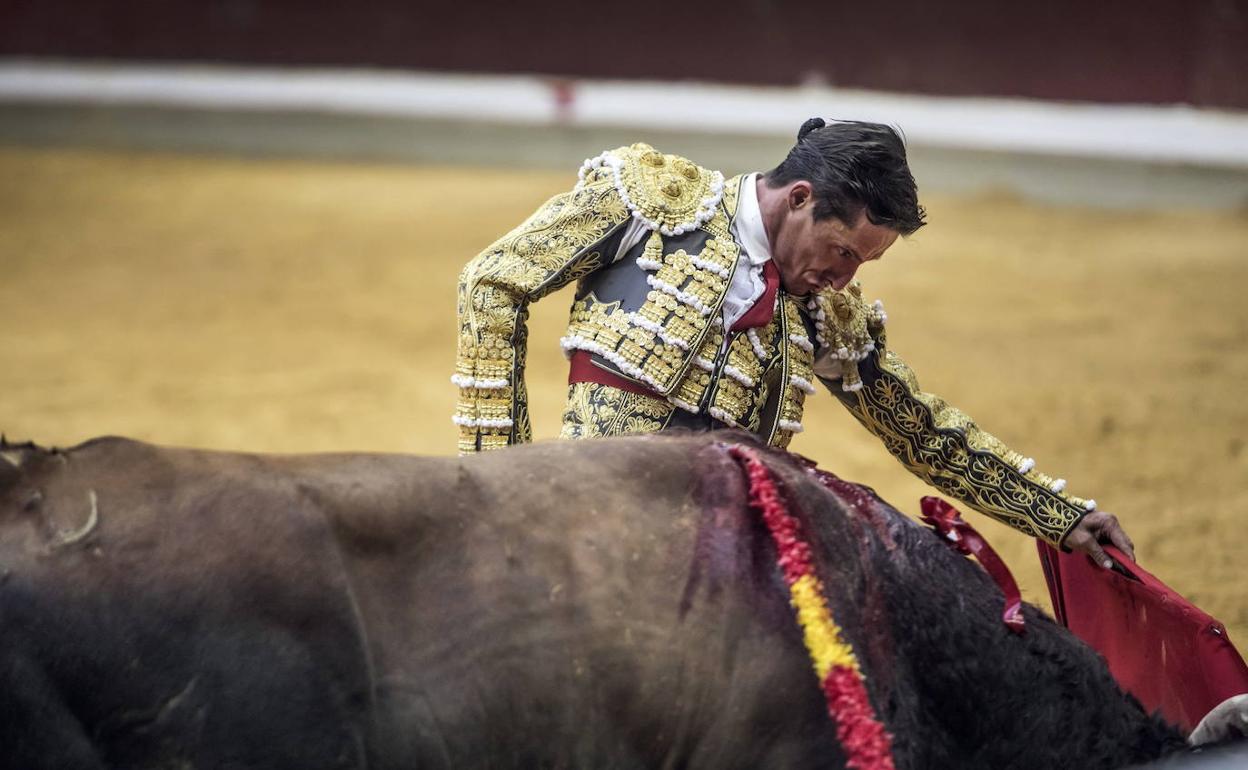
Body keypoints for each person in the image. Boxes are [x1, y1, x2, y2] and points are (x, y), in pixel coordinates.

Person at [454, 118, 1134, 565]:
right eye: (843, 251)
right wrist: (499, 483)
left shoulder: (824, 312)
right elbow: (493, 282)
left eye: (862, 265)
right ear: (800, 198)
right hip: (591, 522)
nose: (843, 279)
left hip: (724, 560)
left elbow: (919, 430)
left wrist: (1059, 514)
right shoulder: (652, 203)